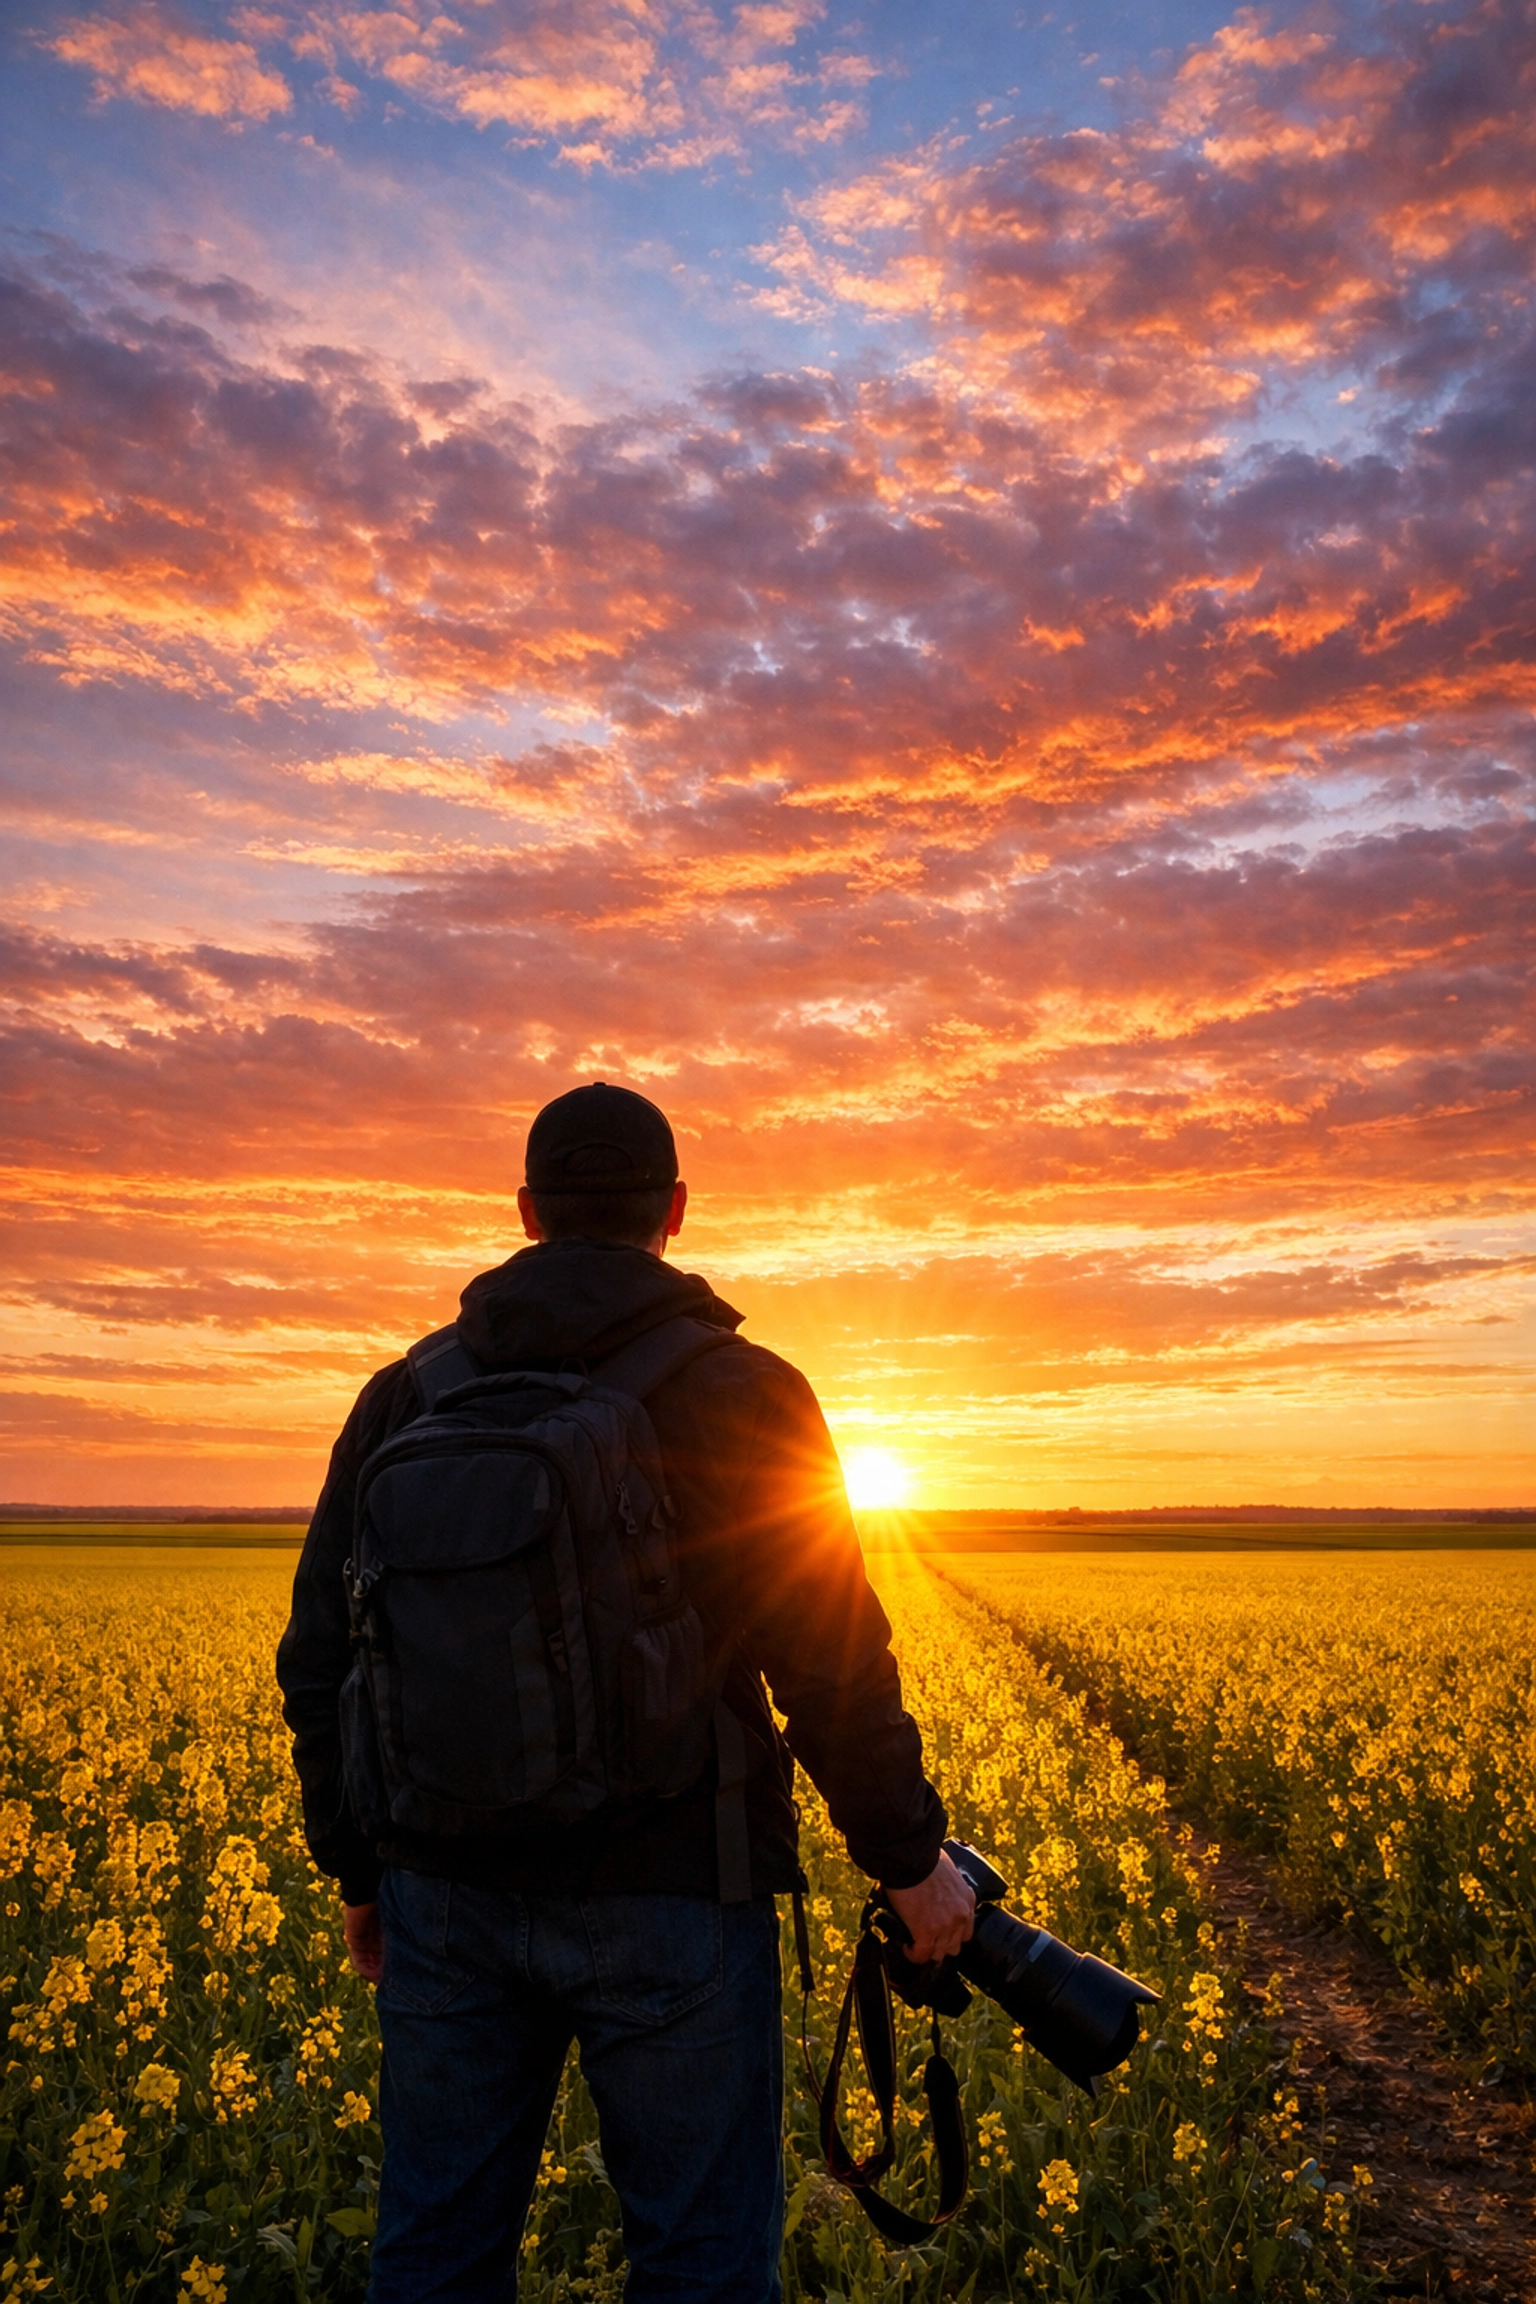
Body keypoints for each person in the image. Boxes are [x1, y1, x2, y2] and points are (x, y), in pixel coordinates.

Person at [276, 1082, 975, 2303]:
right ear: (677, 1214)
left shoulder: (408, 1394)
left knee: (434, 2256)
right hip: (674, 1893)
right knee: (700, 2267)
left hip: (444, 1893)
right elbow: (828, 1657)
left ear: (528, 1213)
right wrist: (911, 1863)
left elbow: (323, 1649)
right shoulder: (743, 1390)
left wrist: (359, 1867)